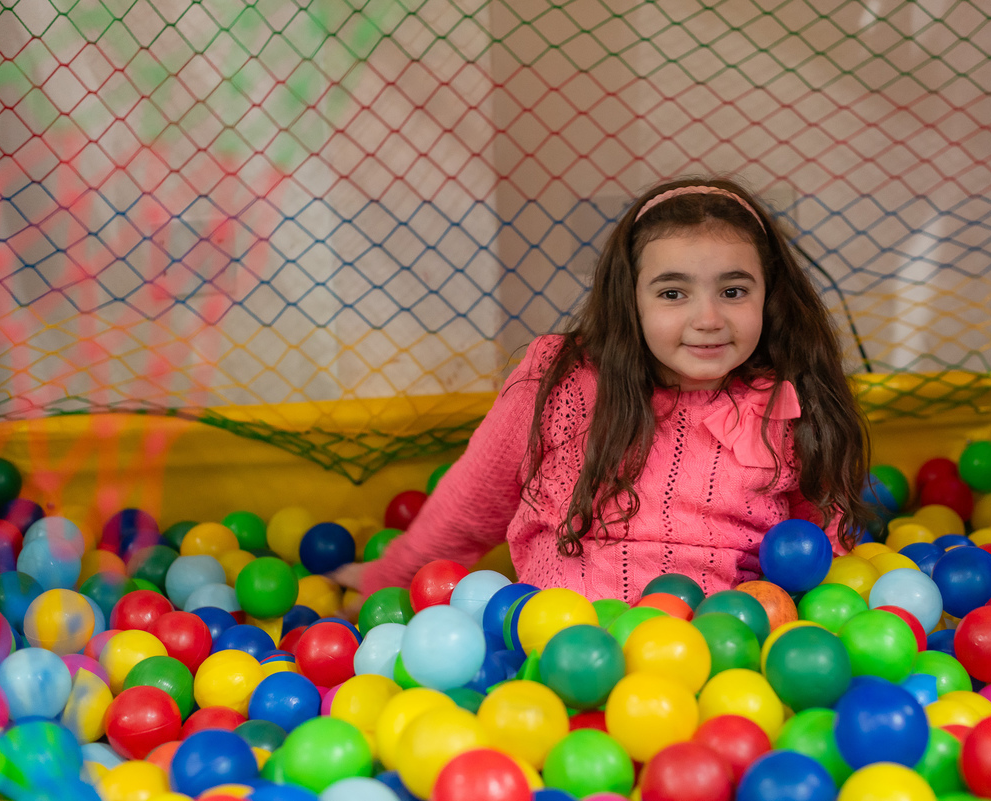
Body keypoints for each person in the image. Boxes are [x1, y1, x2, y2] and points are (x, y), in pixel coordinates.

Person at [336, 177, 871, 604]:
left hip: (720, 650)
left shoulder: (785, 400)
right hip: (565, 642)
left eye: (733, 291)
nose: (708, 318)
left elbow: (819, 538)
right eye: (673, 292)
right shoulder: (561, 380)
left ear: (768, 298)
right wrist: (388, 581)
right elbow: (471, 502)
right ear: (630, 298)